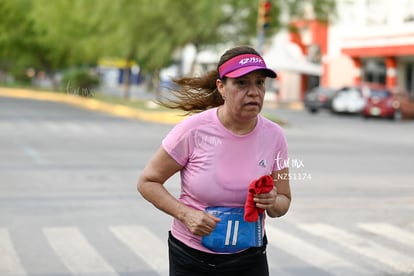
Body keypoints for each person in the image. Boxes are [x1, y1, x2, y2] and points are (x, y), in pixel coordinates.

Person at [138, 45, 291, 276]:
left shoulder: (275, 136)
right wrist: (185, 214)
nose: (253, 92)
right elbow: (147, 182)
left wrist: (272, 201)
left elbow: (283, 203)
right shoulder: (193, 130)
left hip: (250, 258)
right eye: (242, 83)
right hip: (192, 257)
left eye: (259, 83)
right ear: (221, 87)